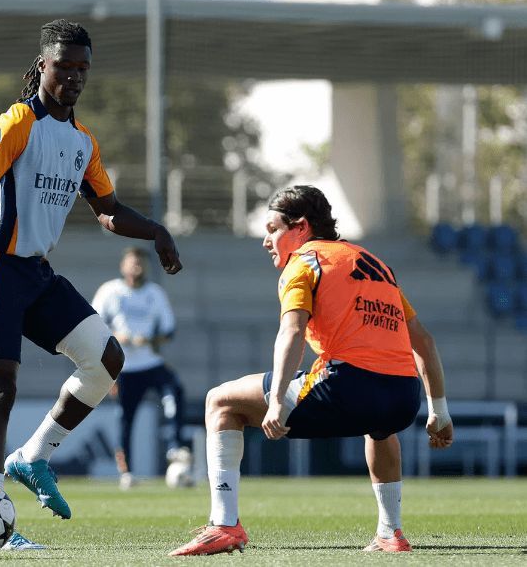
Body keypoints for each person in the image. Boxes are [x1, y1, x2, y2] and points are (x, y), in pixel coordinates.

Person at [0, 19, 183, 550]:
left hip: (36, 272)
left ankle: (34, 456)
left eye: (82, 69)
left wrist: (156, 231)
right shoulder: (18, 122)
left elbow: (107, 211)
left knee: (108, 361)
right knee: (0, 386)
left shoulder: (82, 141)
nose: (73, 77)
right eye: (63, 66)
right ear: (43, 66)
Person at [169, 185, 453, 556]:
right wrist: (439, 411)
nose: (266, 240)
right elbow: (425, 342)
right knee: (380, 429)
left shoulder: (304, 261)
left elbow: (292, 331)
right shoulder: (376, 264)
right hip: (403, 398)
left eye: (273, 229)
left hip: (348, 387)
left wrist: (274, 402)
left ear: (300, 227)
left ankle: (224, 525)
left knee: (221, 401)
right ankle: (390, 533)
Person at [92, 246, 188, 490]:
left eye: (142, 262)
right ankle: (127, 472)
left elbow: (169, 331)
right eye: (133, 262)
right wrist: (117, 337)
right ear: (123, 266)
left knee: (174, 391)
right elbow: (93, 327)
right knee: (126, 419)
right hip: (123, 368)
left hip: (150, 362)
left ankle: (175, 447)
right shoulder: (110, 292)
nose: (137, 266)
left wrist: (149, 341)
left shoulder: (155, 294)